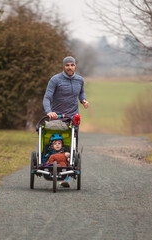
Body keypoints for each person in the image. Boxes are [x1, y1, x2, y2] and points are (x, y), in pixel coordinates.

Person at [42, 56, 89, 187]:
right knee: (54, 143)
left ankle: (65, 177)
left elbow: (81, 94)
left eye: (72, 65)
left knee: (70, 146)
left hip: (72, 118)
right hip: (57, 119)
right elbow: (47, 97)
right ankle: (50, 165)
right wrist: (49, 111)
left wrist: (84, 100)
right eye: (67, 65)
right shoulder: (55, 80)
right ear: (64, 66)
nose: (70, 67)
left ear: (75, 66)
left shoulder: (80, 80)